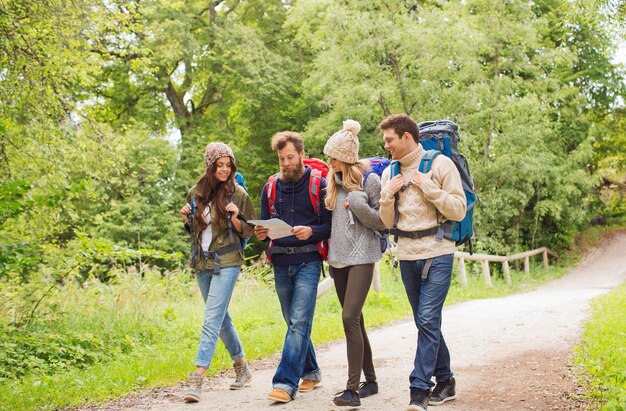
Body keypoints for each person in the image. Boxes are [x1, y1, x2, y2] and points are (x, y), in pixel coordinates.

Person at [378, 114, 466, 411]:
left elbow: (458, 210)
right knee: (424, 321)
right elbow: (386, 222)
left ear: (406, 137)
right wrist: (387, 198)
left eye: (389, 139)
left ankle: (419, 390)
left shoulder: (440, 164)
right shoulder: (390, 173)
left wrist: (430, 189)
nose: (386, 145)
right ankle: (446, 379)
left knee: (427, 320)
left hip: (438, 251)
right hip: (407, 255)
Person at [254, 131, 332, 404]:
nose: (285, 163)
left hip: (309, 260)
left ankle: (285, 383)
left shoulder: (320, 184)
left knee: (299, 321)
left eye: (290, 157)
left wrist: (311, 231)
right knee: (293, 322)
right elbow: (263, 225)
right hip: (280, 261)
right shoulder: (270, 187)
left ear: (301, 154)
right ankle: (311, 370)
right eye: (281, 159)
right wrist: (262, 233)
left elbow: (329, 226)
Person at [178, 142, 256, 403]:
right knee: (221, 319)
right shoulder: (195, 193)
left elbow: (249, 229)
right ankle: (242, 366)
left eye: (228, 165)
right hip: (202, 263)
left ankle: (197, 378)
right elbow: (197, 232)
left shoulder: (239, 193)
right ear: (210, 166)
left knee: (211, 318)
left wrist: (235, 216)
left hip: (228, 261)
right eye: (219, 165)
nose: (224, 170)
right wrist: (187, 219)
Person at [323, 120, 386, 407]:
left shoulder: (369, 181)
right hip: (337, 260)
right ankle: (370, 380)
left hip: (363, 257)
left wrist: (359, 204)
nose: (329, 161)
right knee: (356, 320)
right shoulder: (332, 183)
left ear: (346, 158)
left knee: (349, 318)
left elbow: (383, 223)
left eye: (333, 156)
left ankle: (352, 390)